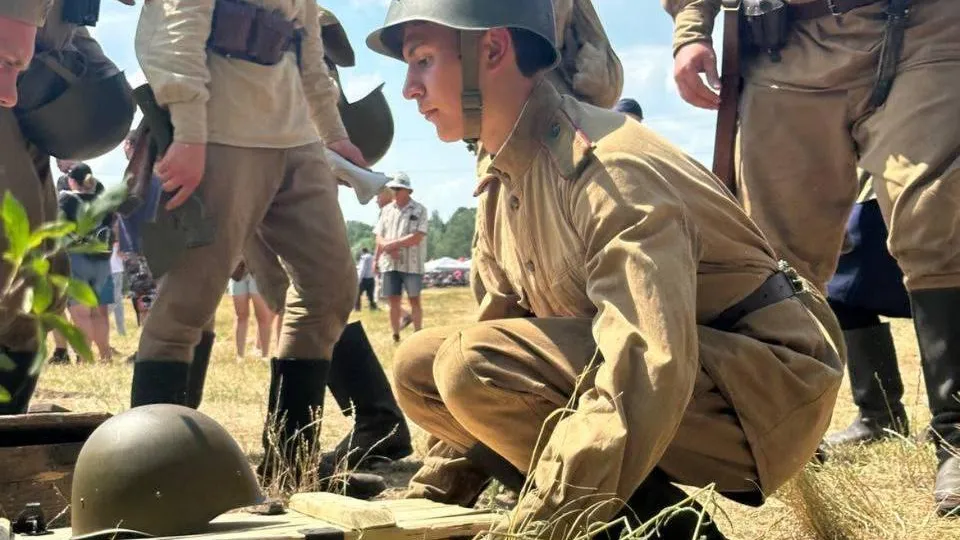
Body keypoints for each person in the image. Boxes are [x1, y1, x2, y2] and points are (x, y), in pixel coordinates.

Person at [365, 2, 847, 538]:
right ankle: (616, 511)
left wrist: (541, 525)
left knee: (468, 366)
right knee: (421, 367)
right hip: (684, 378)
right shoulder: (508, 175)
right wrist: (427, 503)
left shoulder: (608, 168)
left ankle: (656, 529)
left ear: (494, 49)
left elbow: (646, 359)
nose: (410, 88)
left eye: (423, 60)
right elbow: (501, 323)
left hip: (764, 394)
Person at [664, 0, 960, 514]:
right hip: (784, 46)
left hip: (924, 29)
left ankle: (957, 438)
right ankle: (784, 440)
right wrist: (691, 30)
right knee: (776, 258)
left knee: (936, 217)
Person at [130, 0, 383, 498]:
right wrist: (189, 133)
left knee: (331, 290)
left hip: (297, 139)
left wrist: (335, 135)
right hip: (219, 135)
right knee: (186, 306)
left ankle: (291, 467)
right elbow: (178, 25)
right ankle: (151, 479)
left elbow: (309, 54)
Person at [58, 163, 115, 362]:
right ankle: (105, 355)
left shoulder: (67, 200)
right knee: (100, 313)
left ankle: (85, 357)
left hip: (76, 259)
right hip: (102, 261)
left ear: (72, 180)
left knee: (81, 314)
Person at [374, 173, 428, 343]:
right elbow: (378, 236)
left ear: (407, 191)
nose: (394, 191)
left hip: (412, 264)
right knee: (393, 301)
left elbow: (418, 236)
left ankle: (418, 334)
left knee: (414, 299)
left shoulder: (419, 210)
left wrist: (393, 245)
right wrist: (388, 249)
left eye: (398, 188)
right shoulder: (386, 210)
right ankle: (395, 335)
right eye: (392, 188)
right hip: (390, 264)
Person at [227, 261, 275, 361]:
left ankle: (264, 356)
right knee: (241, 315)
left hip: (259, 271)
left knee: (262, 316)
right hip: (238, 272)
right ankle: (240, 356)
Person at [356, 247, 377, 311]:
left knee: (357, 294)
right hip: (371, 278)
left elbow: (362, 269)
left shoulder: (364, 258)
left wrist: (359, 279)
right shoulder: (372, 257)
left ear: (363, 252)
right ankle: (373, 307)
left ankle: (357, 308)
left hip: (364, 279)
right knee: (371, 295)